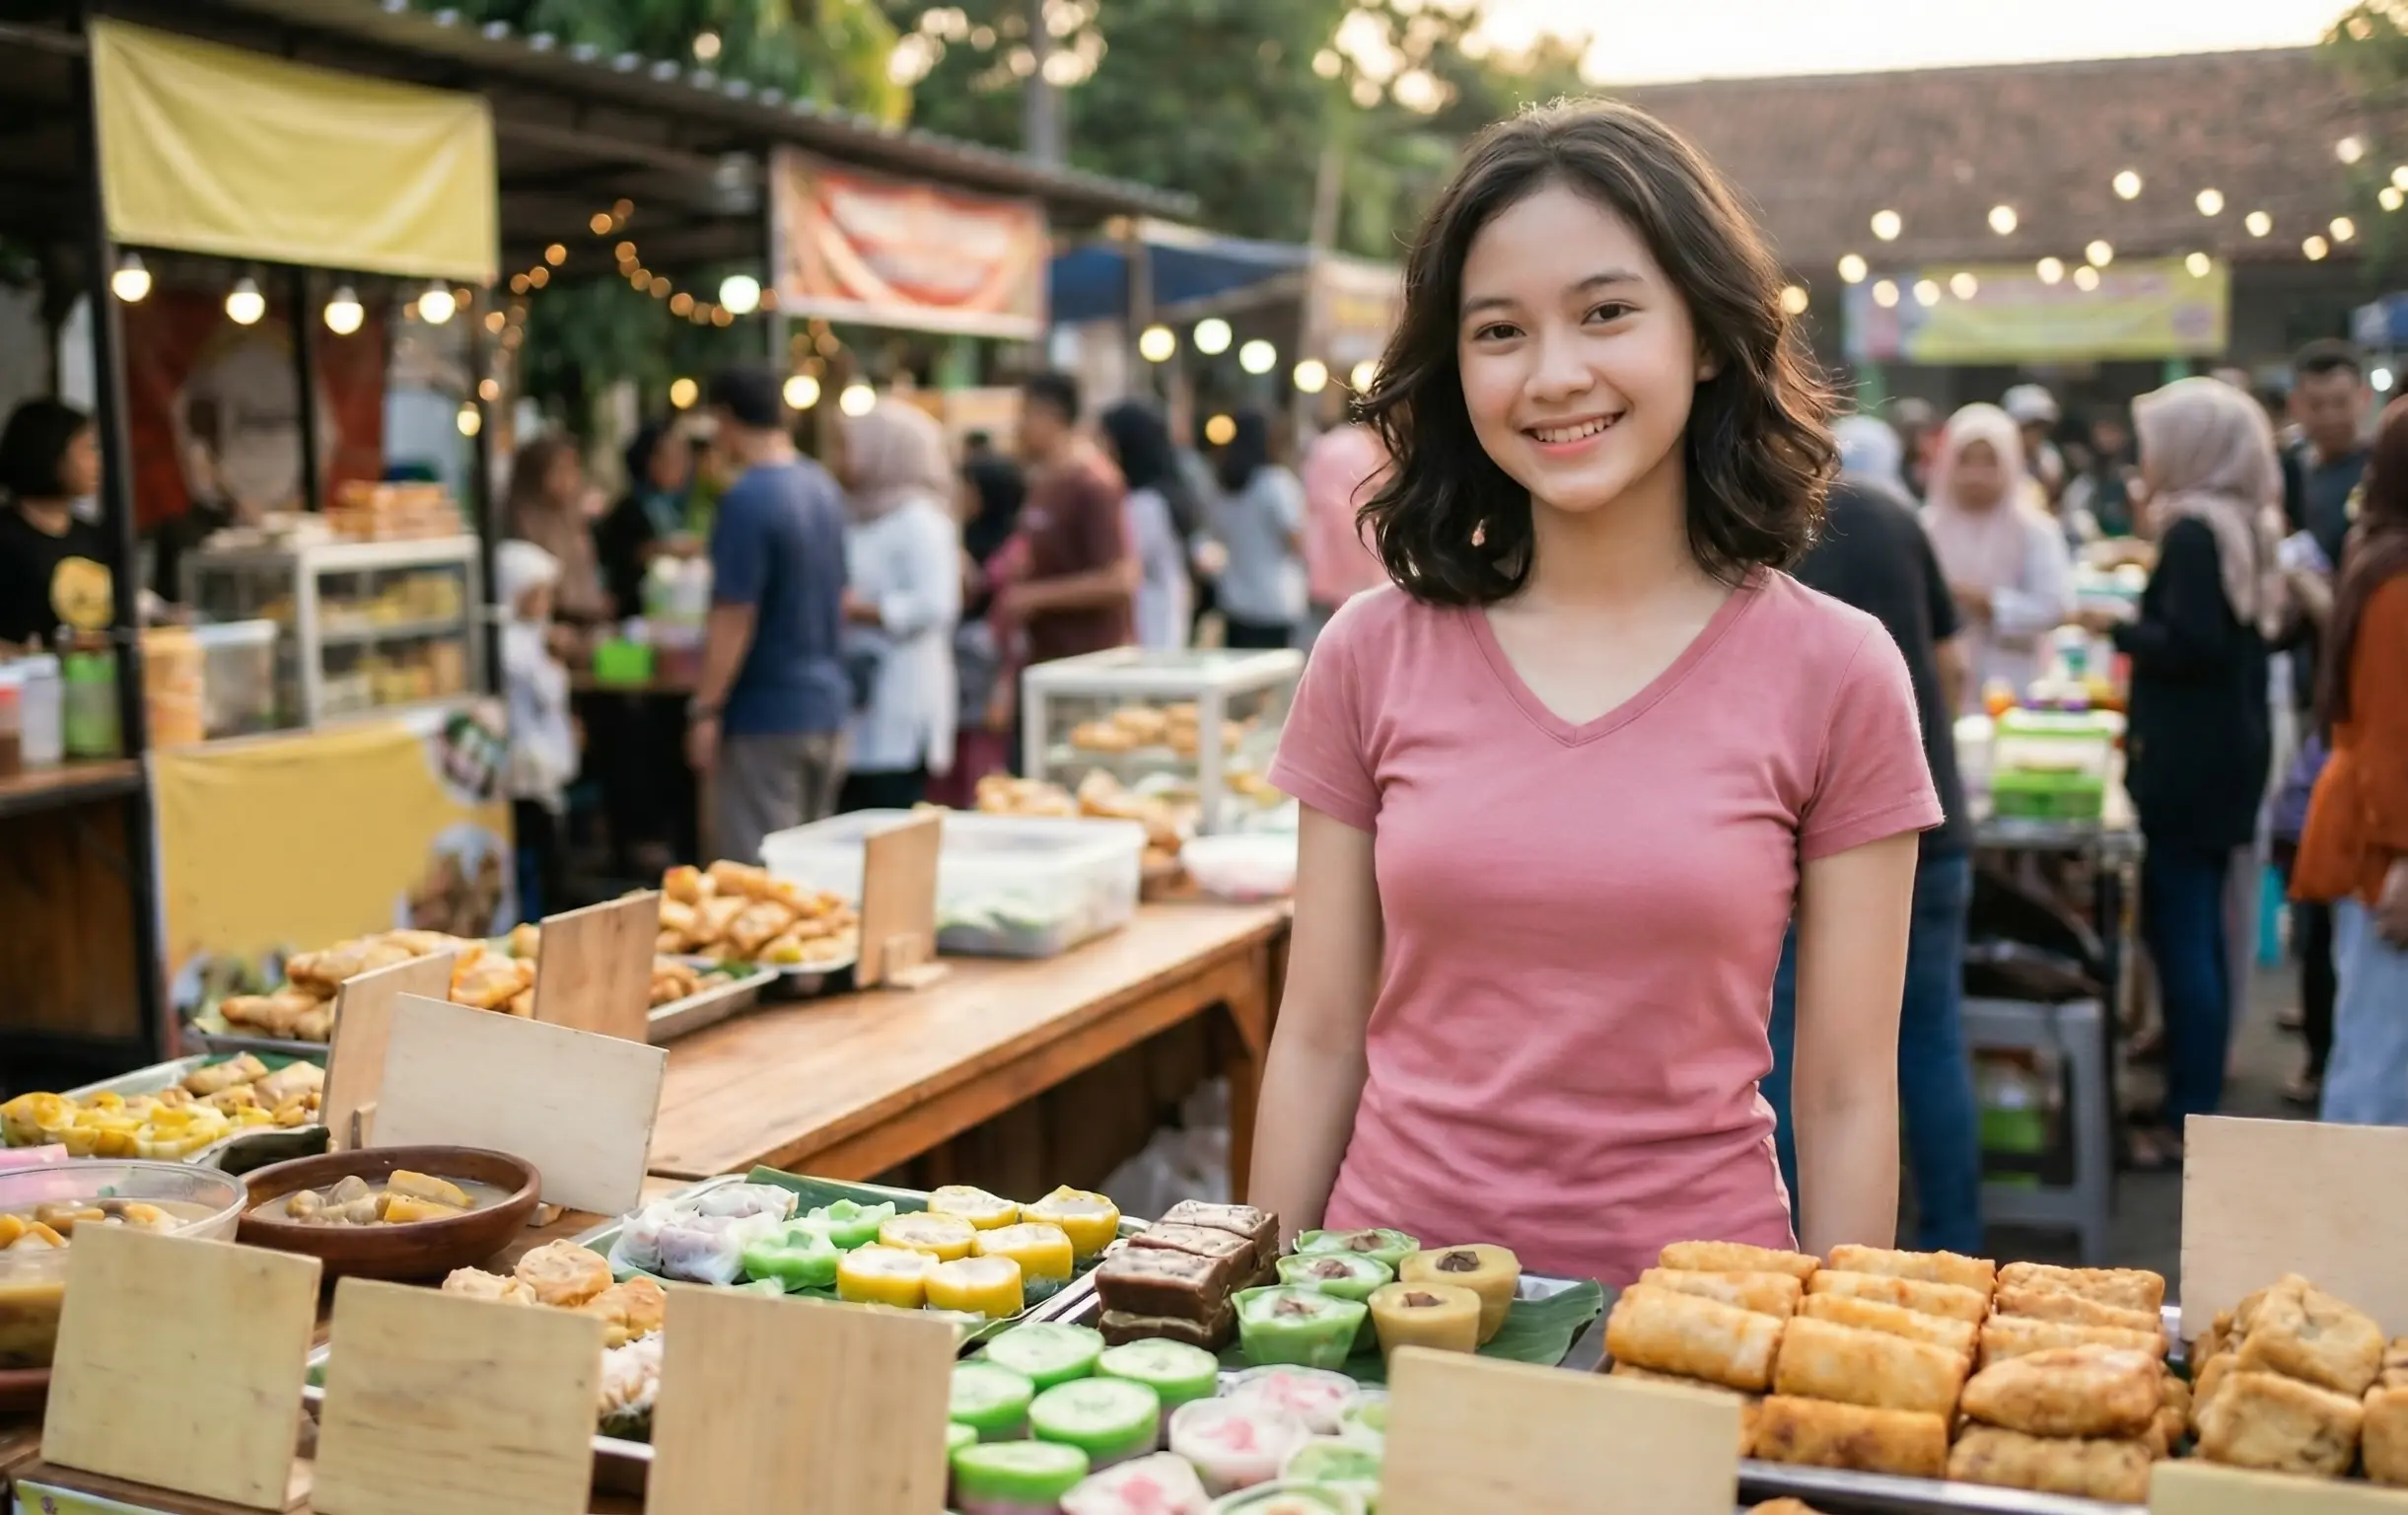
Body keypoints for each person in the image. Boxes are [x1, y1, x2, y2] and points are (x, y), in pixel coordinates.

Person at [1253, 101, 1939, 1283]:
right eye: (1500, 331)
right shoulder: (1369, 651)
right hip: (1381, 1323)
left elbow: (1843, 1092)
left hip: (1694, 1328)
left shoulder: (1838, 669)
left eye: (1607, 313)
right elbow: (1316, 1037)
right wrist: (1253, 1323)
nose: (1555, 374)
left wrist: (1821, 1366)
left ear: (1709, 334)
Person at [1763, 413, 1981, 1254]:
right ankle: (1957, 1246)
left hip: (1809, 833)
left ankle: (1790, 1245)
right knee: (1926, 1039)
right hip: (1932, 817)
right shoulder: (1896, 516)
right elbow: (1953, 660)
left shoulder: (1767, 533)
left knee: (1794, 1052)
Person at [2084, 378, 2279, 1166]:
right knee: (2198, 925)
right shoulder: (2245, 522)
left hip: (2191, 765)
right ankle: (2197, 1085)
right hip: (2227, 755)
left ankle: (2186, 1117)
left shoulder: (2198, 532)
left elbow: (2190, 644)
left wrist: (2119, 625)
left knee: (2185, 929)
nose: (2148, 456)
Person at [2294, 397, 2408, 1127]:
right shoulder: (2398, 583)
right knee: (2379, 1066)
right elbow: (2392, 737)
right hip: (2383, 851)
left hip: (2380, 839)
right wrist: (2403, 857)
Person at [685, 366, 851, 863]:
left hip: (765, 714)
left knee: (760, 876)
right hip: (827, 706)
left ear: (725, 418)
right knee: (811, 872)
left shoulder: (746, 499)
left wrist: (706, 707)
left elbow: (734, 615)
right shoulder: (822, 487)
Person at [834, 398, 960, 813]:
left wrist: (863, 610)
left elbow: (935, 604)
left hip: (901, 694)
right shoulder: (854, 514)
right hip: (857, 697)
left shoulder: (920, 521)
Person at [1921, 402, 2076, 710]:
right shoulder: (1924, 528)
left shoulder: (2034, 529)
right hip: (1940, 685)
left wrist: (1990, 604)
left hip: (2017, 684)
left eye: (1990, 462)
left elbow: (2056, 606)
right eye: (1965, 461)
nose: (1975, 475)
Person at [999, 372, 1134, 665]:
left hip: (1089, 661)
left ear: (1051, 415)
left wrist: (1035, 596)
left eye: (1025, 414)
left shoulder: (1095, 484)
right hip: (1046, 655)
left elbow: (1120, 579)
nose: (1018, 427)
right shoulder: (1043, 480)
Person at [929, 452, 1027, 808]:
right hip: (953, 669)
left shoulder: (1015, 547)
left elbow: (1011, 623)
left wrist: (1004, 685)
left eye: (966, 488)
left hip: (987, 672)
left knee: (980, 768)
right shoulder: (956, 536)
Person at [496, 539, 578, 919]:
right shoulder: (511, 647)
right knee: (534, 859)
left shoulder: (533, 637)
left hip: (545, 769)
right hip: (525, 772)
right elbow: (543, 689)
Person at [0, 399, 111, 648]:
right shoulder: (6, 538)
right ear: (50, 452)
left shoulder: (95, 535)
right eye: (89, 449)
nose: (98, 463)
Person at [1209, 411, 1310, 650]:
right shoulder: (1276, 483)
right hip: (1275, 601)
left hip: (1234, 599)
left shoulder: (1225, 487)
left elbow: (1217, 535)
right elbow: (1297, 541)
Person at [1097, 400, 1193, 650]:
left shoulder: (1143, 505)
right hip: (1160, 619)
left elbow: (1126, 566)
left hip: (1149, 626)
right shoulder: (1156, 497)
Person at [503, 434, 613, 638]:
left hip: (588, 626)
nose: (570, 479)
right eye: (560, 470)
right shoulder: (522, 522)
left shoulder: (573, 516)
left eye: (573, 469)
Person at [1297, 420, 1390, 642]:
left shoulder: (1328, 446)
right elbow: (1346, 522)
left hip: (1320, 578)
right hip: (1352, 588)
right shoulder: (1363, 453)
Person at [2284, 339, 2372, 569]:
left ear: (2364, 398)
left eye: (2340, 403)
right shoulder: (2288, 468)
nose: (2329, 417)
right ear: (2296, 405)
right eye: (2316, 405)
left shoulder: (2382, 469)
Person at [595, 421, 694, 621]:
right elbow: (625, 558)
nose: (682, 465)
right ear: (648, 460)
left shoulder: (676, 504)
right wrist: (669, 549)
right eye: (671, 457)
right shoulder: (631, 508)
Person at [2063, 410, 2139, 540]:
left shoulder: (2133, 482)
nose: (2107, 440)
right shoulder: (2082, 486)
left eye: (2112, 433)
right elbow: (2076, 521)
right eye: (2102, 435)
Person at [2003, 383, 2067, 510]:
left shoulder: (2049, 458)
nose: (2035, 433)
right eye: (2030, 427)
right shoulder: (1999, 458)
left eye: (2041, 427)